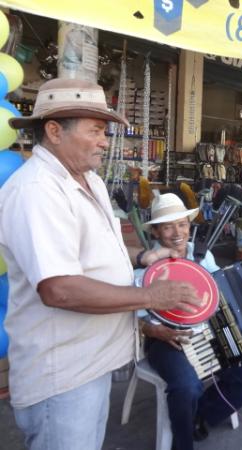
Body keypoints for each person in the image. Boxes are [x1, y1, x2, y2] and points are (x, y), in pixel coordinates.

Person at [0, 79, 202, 450]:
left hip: (90, 366)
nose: (105, 141)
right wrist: (150, 296)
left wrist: (144, 257)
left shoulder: (86, 179)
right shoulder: (37, 191)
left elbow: (97, 251)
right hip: (62, 376)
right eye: (95, 131)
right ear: (54, 131)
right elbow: (58, 289)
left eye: (105, 132)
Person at [135, 193, 242, 450]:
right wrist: (156, 331)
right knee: (187, 386)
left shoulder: (201, 255)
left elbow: (221, 292)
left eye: (183, 223)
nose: (178, 232)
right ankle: (182, 442)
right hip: (164, 339)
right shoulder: (144, 267)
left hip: (209, 333)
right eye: (168, 226)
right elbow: (133, 320)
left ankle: (200, 418)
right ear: (155, 232)